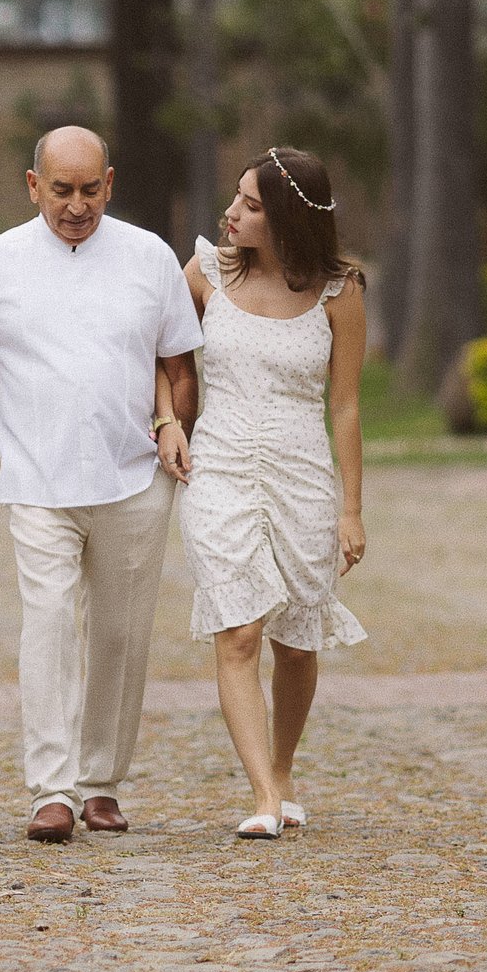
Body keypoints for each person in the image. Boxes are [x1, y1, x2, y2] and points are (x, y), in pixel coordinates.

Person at [0, 127, 202, 843]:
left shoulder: (149, 257)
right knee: (46, 624)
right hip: (37, 480)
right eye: (61, 190)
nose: (76, 205)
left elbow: (182, 364)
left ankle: (101, 781)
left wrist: (172, 419)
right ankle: (53, 788)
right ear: (32, 185)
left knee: (120, 634)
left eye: (89, 189)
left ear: (111, 182)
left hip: (134, 477)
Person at [171, 146, 367, 840]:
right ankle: (260, 795)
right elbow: (155, 351)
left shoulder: (341, 293)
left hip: (302, 473)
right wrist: (169, 416)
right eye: (236, 197)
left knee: (295, 640)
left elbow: (344, 406)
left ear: (286, 217)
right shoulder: (207, 272)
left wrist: (351, 509)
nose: (231, 212)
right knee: (239, 629)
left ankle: (281, 769)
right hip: (218, 468)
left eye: (250, 205)